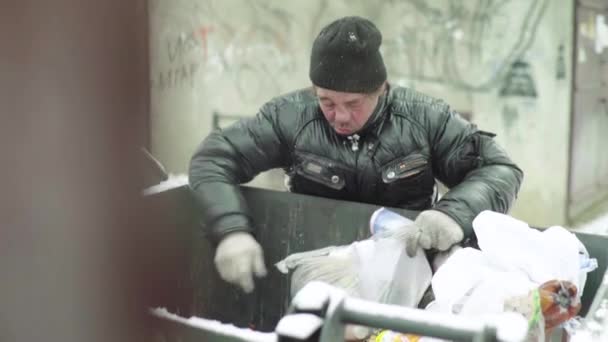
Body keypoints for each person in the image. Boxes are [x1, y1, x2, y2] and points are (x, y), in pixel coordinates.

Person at [188, 16, 523, 294]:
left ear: (381, 89)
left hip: (409, 273)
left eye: (353, 103)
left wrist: (453, 214)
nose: (340, 116)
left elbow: (499, 168)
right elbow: (215, 158)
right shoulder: (290, 117)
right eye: (326, 102)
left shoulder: (425, 118)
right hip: (321, 268)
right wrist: (231, 230)